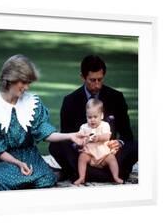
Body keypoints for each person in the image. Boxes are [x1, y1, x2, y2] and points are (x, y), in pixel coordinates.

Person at [0, 54, 84, 191]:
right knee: (13, 181)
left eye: (29, 83)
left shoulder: (32, 103)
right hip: (2, 159)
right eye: (23, 82)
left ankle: (38, 173)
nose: (26, 87)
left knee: (46, 180)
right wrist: (17, 163)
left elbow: (44, 131)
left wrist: (71, 135)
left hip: (29, 155)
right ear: (10, 79)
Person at [49, 54, 138, 183]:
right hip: (84, 154)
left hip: (109, 154)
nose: (97, 85)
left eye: (100, 79)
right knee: (56, 146)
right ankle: (112, 174)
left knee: (137, 146)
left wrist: (119, 143)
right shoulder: (70, 101)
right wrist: (79, 145)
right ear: (83, 77)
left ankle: (79, 174)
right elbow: (67, 136)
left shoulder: (116, 97)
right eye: (92, 80)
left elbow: (127, 135)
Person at [74, 98, 123, 185]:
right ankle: (81, 177)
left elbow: (107, 136)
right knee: (82, 157)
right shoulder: (84, 127)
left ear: (102, 116)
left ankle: (116, 176)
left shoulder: (105, 125)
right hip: (90, 155)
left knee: (112, 159)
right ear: (86, 116)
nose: (92, 120)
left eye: (95, 117)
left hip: (103, 155)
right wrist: (82, 141)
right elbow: (79, 138)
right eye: (89, 117)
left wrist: (98, 138)